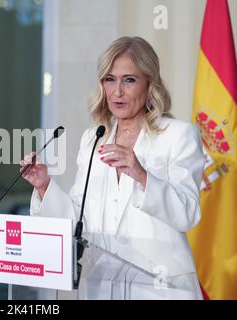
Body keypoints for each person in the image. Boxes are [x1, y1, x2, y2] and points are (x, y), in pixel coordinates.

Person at [20, 36, 205, 299]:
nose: (117, 91)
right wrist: (44, 186)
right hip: (103, 287)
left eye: (129, 80)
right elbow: (78, 217)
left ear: (149, 83)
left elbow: (187, 213)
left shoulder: (178, 135)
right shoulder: (94, 138)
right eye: (110, 79)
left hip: (161, 290)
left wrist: (141, 175)